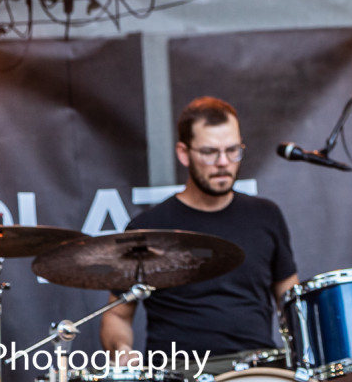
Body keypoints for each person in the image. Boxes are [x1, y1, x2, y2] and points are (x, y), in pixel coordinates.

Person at [101, 96, 299, 372]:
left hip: (256, 370)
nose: (223, 162)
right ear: (184, 153)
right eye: (209, 152)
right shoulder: (148, 229)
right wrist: (122, 351)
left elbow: (291, 303)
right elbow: (117, 316)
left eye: (233, 150)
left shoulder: (266, 215)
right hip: (177, 371)